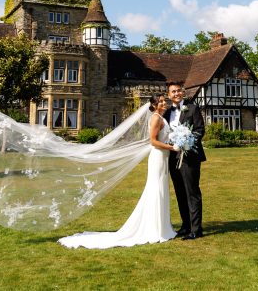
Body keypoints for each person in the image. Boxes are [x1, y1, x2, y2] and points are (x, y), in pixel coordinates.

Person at [58, 94, 177, 249]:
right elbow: (153, 141)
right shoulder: (155, 118)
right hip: (158, 156)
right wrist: (172, 147)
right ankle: (155, 228)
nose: (164, 103)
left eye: (163, 100)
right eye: (160, 101)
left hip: (163, 157)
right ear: (154, 105)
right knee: (156, 189)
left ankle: (161, 226)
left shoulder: (161, 117)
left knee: (160, 189)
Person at [164, 81, 206, 240]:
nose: (176, 94)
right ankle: (185, 226)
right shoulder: (167, 113)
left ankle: (196, 229)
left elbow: (199, 130)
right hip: (173, 158)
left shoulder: (193, 108)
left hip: (190, 157)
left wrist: (187, 142)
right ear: (169, 95)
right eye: (173, 92)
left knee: (192, 192)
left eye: (178, 91)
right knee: (180, 192)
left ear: (183, 92)